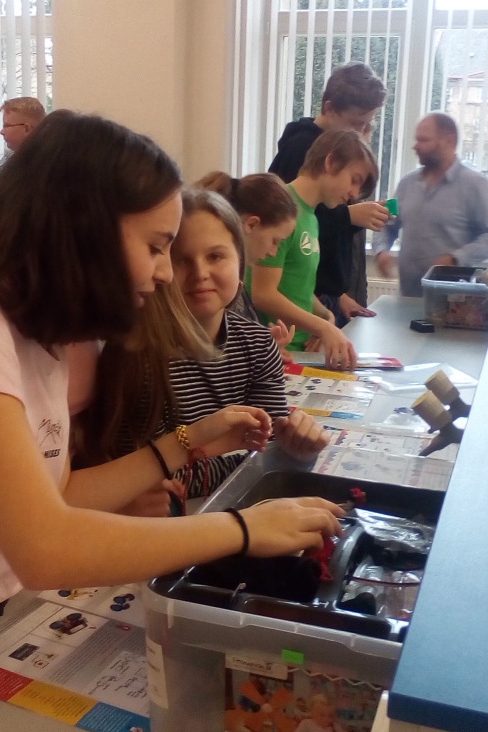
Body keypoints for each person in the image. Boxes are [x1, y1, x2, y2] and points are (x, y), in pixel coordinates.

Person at [0, 110, 342, 695]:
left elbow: (59, 494)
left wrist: (186, 441)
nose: (164, 273)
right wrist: (242, 528)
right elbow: (45, 546)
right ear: (84, 231)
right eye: (157, 248)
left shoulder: (39, 334)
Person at [76, 188, 329, 503]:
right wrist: (259, 461)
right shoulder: (138, 355)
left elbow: (271, 452)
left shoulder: (259, 343)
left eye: (215, 256)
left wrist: (298, 450)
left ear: (241, 262)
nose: (200, 274)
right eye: (182, 260)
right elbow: (145, 478)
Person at [269, 62, 389, 324]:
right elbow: (288, 229)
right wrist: (350, 216)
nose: (362, 135)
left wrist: (337, 295)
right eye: (356, 124)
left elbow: (315, 245)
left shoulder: (339, 152)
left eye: (368, 126)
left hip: (322, 297)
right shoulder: (301, 148)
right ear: (329, 109)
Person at [249, 129, 377, 369]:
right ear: (331, 162)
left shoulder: (312, 216)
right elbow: (262, 294)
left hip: (301, 350)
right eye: (354, 180)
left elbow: (296, 286)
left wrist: (324, 315)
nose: (354, 194)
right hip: (277, 352)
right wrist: (323, 327)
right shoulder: (282, 209)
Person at [373, 112, 488, 296]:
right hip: (407, 297)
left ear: (449, 141)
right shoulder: (406, 184)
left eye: (424, 140)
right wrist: (381, 251)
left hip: (452, 302)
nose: (415, 146)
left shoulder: (475, 185)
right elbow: (386, 224)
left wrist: (455, 259)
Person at [195, 171, 297, 334]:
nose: (273, 252)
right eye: (274, 241)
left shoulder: (237, 281)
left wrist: (265, 344)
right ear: (251, 224)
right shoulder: (222, 283)